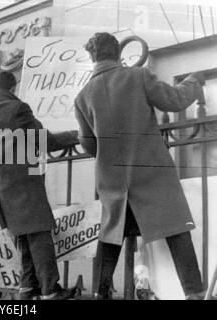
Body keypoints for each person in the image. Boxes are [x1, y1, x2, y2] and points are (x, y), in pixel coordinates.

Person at [74, 32, 206, 300]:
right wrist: (195, 80)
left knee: (110, 238)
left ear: (92, 57)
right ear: (118, 53)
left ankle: (100, 293)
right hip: (152, 175)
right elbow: (175, 100)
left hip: (114, 181)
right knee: (177, 229)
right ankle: (194, 294)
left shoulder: (82, 97)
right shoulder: (138, 76)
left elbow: (89, 145)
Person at [0, 71, 78, 300]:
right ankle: (51, 290)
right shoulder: (18, 109)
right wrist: (77, 135)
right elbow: (45, 141)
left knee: (23, 238)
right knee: (40, 235)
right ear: (14, 87)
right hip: (22, 184)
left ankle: (27, 289)